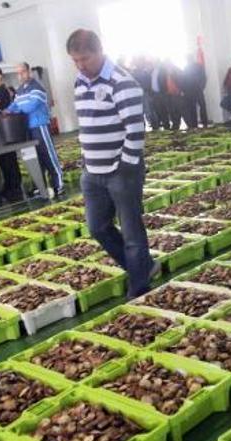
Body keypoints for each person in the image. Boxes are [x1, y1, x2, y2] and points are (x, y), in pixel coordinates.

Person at [66, 28, 158, 298]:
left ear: (99, 51)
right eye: (75, 61)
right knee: (97, 227)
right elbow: (88, 122)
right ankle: (144, 266)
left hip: (120, 171)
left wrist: (125, 166)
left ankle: (139, 287)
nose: (81, 66)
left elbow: (135, 130)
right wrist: (86, 160)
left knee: (131, 232)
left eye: (85, 59)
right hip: (91, 171)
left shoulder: (122, 82)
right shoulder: (80, 82)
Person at [7, 62, 64, 195]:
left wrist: (16, 110)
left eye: (23, 72)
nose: (20, 75)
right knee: (35, 158)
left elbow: (30, 106)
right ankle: (40, 186)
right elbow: (15, 105)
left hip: (40, 126)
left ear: (29, 72)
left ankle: (58, 184)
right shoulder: (20, 90)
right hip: (28, 129)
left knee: (48, 155)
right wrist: (6, 111)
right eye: (18, 73)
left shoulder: (37, 87)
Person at [0, 65, 24, 202]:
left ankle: (14, 187)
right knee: (4, 160)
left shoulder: (0, 91)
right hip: (1, 131)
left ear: (0, 75)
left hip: (5, 130)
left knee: (8, 160)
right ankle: (9, 186)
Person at [180, 54, 209, 129]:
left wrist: (201, 87)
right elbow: (183, 81)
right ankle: (196, 124)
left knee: (201, 107)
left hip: (196, 90)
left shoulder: (198, 67)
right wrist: (184, 91)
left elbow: (203, 78)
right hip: (191, 91)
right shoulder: (186, 68)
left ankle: (203, 123)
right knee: (194, 108)